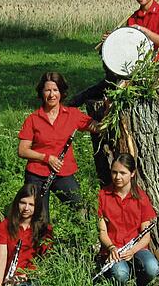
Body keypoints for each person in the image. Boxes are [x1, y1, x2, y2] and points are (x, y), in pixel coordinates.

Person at [67, 0, 159, 107]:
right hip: (134, 67)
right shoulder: (133, 17)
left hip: (158, 66)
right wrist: (111, 40)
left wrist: (145, 31)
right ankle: (77, 102)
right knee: (109, 82)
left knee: (119, 87)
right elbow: (126, 48)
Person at [18, 72, 99, 215]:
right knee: (40, 218)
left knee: (81, 209)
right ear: (41, 92)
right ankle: (42, 237)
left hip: (63, 172)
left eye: (55, 90)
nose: (51, 95)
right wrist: (47, 158)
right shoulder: (33, 119)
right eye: (47, 90)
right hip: (37, 173)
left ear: (61, 92)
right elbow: (23, 150)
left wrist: (110, 109)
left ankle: (82, 236)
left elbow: (95, 127)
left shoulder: (72, 114)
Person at [97, 154, 159, 285]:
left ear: (132, 173)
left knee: (152, 268)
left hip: (136, 248)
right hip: (114, 251)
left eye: (122, 173)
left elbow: (146, 237)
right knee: (120, 274)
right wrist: (111, 248)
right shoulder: (102, 196)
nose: (117, 177)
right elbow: (102, 232)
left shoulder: (141, 197)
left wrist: (133, 251)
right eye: (114, 172)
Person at [0, 184, 52, 286]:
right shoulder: (5, 225)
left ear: (37, 206)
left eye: (31, 204)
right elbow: (1, 258)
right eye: (23, 203)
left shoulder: (45, 229)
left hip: (32, 277)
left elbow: (45, 260)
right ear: (17, 203)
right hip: (8, 278)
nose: (26, 208)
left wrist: (25, 276)